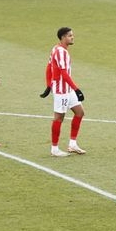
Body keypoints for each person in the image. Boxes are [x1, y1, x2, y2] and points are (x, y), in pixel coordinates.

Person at [41, 27, 86, 157]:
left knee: (80, 112)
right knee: (59, 118)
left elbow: (49, 67)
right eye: (69, 35)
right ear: (62, 37)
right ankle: (54, 149)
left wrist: (48, 85)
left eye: (72, 35)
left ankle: (72, 144)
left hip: (66, 88)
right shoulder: (61, 52)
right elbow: (64, 74)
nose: (72, 37)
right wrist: (76, 89)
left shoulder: (56, 48)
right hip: (62, 90)